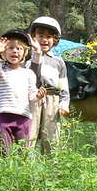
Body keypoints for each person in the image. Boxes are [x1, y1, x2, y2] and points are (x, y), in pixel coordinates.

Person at [0, 30, 45, 155]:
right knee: (5, 149)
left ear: (25, 53)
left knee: (23, 151)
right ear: (4, 52)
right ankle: (4, 171)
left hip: (23, 117)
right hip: (4, 115)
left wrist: (38, 95)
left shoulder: (28, 73)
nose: (15, 51)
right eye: (10, 48)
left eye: (19, 48)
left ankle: (22, 173)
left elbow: (32, 95)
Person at [27, 17, 70, 153]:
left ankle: (52, 166)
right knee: (30, 134)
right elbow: (30, 77)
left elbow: (63, 85)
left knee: (51, 136)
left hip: (52, 99)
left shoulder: (58, 62)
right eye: (40, 36)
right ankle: (26, 165)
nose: (44, 40)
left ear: (55, 40)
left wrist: (64, 104)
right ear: (33, 37)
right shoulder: (26, 57)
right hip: (33, 99)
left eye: (49, 37)